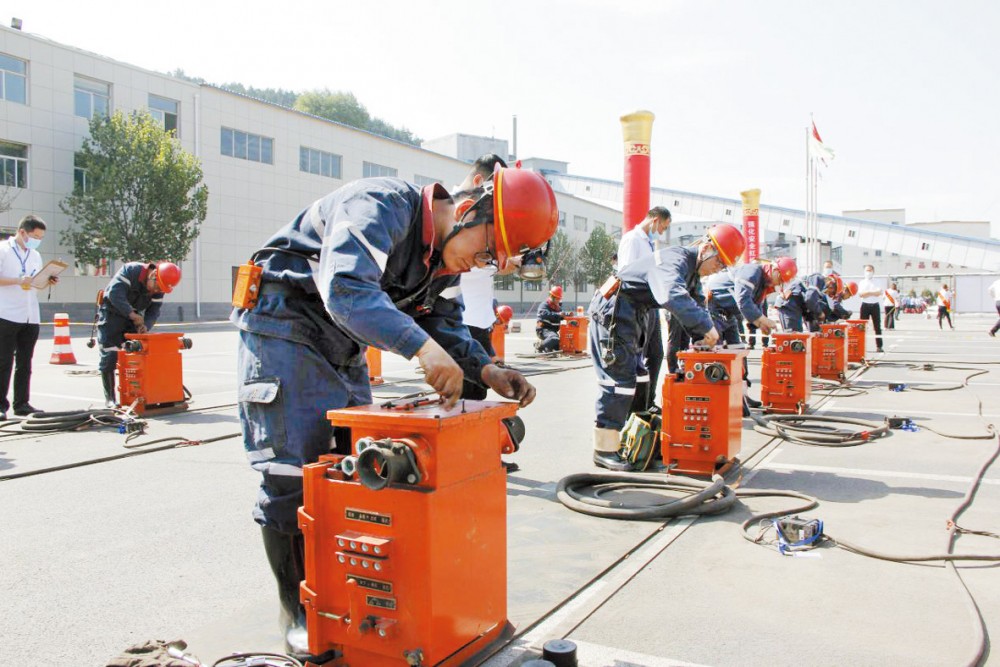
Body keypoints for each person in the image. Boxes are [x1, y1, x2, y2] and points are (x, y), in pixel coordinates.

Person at [231, 167, 557, 658]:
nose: (480, 265)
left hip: (341, 343)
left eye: (491, 262)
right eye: (487, 251)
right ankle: (298, 612)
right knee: (294, 474)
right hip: (283, 327)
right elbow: (346, 289)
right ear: (468, 210)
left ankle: (343, 600)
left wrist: (486, 369)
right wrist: (421, 349)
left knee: (352, 469)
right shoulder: (380, 205)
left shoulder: (440, 263)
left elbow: (441, 320)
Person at [588, 224, 745, 471]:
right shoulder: (675, 260)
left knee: (640, 376)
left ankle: (636, 437)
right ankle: (604, 449)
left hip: (634, 312)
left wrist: (702, 339)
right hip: (615, 310)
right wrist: (706, 326)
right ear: (706, 249)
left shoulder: (692, 273)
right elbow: (671, 295)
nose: (719, 269)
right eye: (719, 262)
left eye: (724, 266)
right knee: (619, 380)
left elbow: (695, 303)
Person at [706, 256, 797, 415]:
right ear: (775, 270)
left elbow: (755, 307)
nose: (778, 284)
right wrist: (763, 320)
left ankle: (742, 396)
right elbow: (743, 300)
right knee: (718, 357)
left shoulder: (762, 286)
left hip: (728, 314)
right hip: (714, 309)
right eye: (780, 279)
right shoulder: (752, 271)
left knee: (739, 353)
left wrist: (761, 325)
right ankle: (718, 400)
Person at [458, 154, 509, 401]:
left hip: (477, 320)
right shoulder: (457, 211)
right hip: (461, 320)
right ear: (480, 182)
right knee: (464, 397)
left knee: (475, 394)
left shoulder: (475, 211)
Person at [97, 261, 182, 407]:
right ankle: (110, 398)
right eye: (156, 287)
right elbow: (115, 294)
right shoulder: (131, 271)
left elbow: (154, 311)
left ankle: (137, 394)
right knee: (110, 354)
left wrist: (145, 326)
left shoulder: (160, 286)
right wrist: (132, 314)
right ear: (153, 274)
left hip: (133, 318)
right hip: (111, 314)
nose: (156, 291)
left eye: (160, 289)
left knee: (134, 354)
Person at [0, 215, 59, 419]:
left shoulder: (35, 255)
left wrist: (47, 280)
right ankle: (1, 405)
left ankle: (22, 403)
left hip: (30, 314)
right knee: (4, 361)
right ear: (22, 232)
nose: (37, 241)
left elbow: (34, 282)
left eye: (40, 238)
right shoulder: (3, 250)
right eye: (35, 236)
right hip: (6, 313)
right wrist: (18, 280)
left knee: (25, 362)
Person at [617, 206, 671, 412]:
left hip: (651, 305)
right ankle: (635, 406)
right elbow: (627, 273)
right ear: (655, 220)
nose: (662, 232)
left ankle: (648, 401)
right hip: (638, 306)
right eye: (663, 227)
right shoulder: (632, 240)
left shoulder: (648, 243)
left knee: (656, 354)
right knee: (638, 357)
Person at [856, 264, 884, 352]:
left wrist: (868, 293)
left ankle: (879, 346)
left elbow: (879, 293)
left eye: (870, 270)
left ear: (873, 271)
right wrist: (872, 292)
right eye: (867, 270)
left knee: (877, 326)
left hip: (875, 305)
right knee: (862, 327)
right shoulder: (862, 282)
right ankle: (861, 347)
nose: (868, 272)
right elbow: (861, 294)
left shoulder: (877, 281)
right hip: (865, 305)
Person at [535, 285, 563, 352]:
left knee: (561, 344)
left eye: (559, 299)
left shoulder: (558, 308)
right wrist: (559, 315)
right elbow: (544, 314)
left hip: (552, 332)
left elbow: (561, 316)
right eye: (557, 298)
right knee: (554, 339)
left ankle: (547, 347)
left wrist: (568, 316)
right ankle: (539, 345)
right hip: (543, 329)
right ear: (552, 297)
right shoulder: (544, 305)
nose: (558, 301)